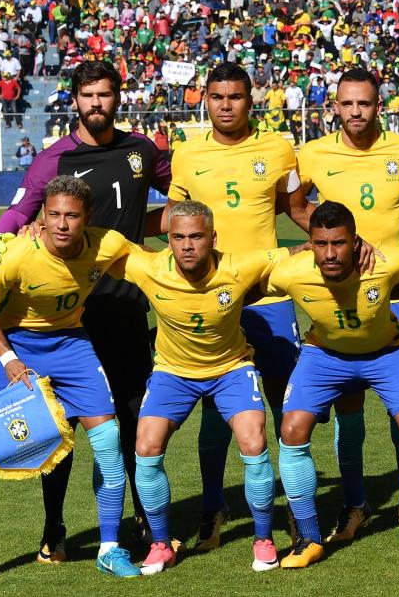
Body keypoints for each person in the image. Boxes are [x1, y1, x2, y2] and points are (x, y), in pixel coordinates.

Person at [0, 60, 171, 560]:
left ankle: (138, 517)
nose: (96, 104)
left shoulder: (142, 151)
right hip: (69, 320)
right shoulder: (53, 161)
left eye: (105, 94)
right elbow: (19, 212)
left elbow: (187, 196)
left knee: (130, 422)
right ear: (75, 99)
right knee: (60, 428)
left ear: (118, 97)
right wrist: (2, 240)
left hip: (127, 311)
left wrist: (145, 226)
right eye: (87, 95)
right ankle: (55, 528)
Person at [0, 177, 141, 588]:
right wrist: (8, 359)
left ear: (88, 217)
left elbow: (155, 265)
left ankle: (109, 548)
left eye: (72, 215)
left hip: (71, 344)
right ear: (42, 216)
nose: (62, 224)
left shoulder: (108, 243)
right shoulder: (20, 253)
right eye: (53, 214)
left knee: (107, 439)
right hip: (10, 343)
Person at [112, 201, 307, 574]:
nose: (187, 245)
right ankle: (159, 543)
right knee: (145, 447)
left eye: (196, 237)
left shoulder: (239, 266)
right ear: (167, 240)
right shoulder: (150, 268)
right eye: (178, 237)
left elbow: (297, 251)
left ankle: (263, 538)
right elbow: (99, 246)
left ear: (212, 238)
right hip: (173, 372)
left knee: (255, 442)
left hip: (231, 369)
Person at [164, 63, 309, 552]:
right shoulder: (186, 154)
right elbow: (172, 220)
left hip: (269, 297)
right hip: (211, 302)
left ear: (252, 100)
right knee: (213, 412)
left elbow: (300, 211)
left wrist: (347, 241)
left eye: (236, 96)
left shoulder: (278, 148)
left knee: (287, 407)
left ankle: (293, 505)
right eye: (217, 96)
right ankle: (213, 507)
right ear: (204, 99)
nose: (225, 104)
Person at [294, 67, 399, 542]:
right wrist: (335, 242)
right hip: (339, 300)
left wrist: (387, 252)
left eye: (365, 104)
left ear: (379, 105)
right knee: (349, 408)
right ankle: (354, 504)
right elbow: (293, 203)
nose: (356, 112)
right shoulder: (312, 152)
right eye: (347, 104)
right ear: (334, 106)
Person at [266, 201, 399, 570]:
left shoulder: (385, 262)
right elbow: (241, 278)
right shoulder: (292, 271)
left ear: (356, 242)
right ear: (309, 243)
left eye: (339, 243)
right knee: (292, 430)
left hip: (387, 353)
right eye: (320, 244)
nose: (330, 253)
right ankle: (310, 538)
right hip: (325, 355)